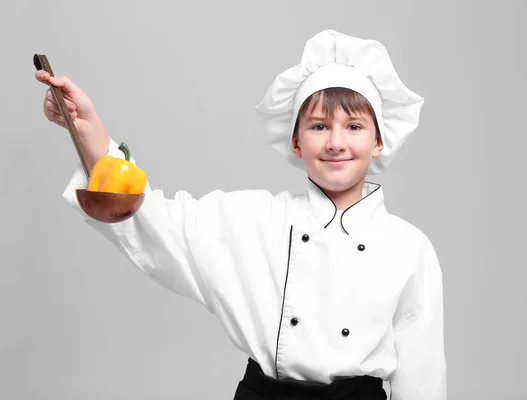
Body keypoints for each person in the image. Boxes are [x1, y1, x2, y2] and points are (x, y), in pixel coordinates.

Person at [36, 29, 446, 400]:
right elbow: (146, 216)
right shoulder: (251, 220)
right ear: (296, 143)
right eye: (319, 126)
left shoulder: (408, 247)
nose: (336, 142)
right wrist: (88, 129)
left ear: (379, 142)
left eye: (354, 127)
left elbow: (421, 376)